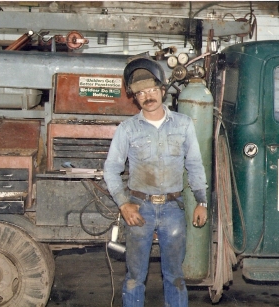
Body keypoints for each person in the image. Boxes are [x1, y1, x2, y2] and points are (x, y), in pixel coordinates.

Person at [103, 57, 208, 307]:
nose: (148, 96)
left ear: (162, 91)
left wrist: (202, 201)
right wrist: (123, 204)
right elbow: (111, 169)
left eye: (152, 90)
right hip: (140, 209)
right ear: (135, 97)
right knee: (135, 277)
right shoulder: (127, 129)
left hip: (173, 209)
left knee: (175, 277)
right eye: (141, 93)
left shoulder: (183, 125)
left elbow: (194, 165)